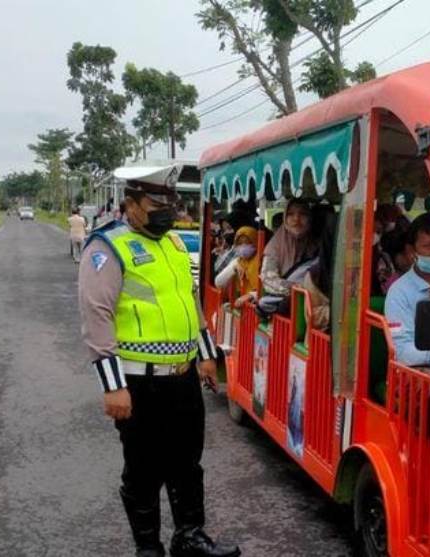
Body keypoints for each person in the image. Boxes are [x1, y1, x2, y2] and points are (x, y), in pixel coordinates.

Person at [78, 178, 240, 557]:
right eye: (156, 202)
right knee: (144, 469)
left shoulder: (173, 243)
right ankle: (148, 547)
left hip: (182, 379)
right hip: (139, 382)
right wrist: (113, 385)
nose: (168, 209)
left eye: (172, 201)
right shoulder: (107, 247)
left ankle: (189, 536)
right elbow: (96, 315)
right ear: (131, 204)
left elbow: (190, 302)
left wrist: (205, 355)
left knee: (188, 463)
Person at [384, 212, 430, 368]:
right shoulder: (399, 292)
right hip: (426, 373)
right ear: (412, 251)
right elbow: (401, 351)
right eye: (429, 245)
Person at [260, 199, 319, 296]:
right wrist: (295, 288)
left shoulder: (316, 243)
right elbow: (268, 279)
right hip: (287, 301)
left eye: (303, 214)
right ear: (285, 218)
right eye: (291, 214)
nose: (296, 219)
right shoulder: (275, 246)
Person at [213, 226, 260, 307]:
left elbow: (265, 291)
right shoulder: (238, 261)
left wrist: (251, 295)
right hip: (241, 308)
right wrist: (234, 268)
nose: (243, 247)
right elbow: (218, 282)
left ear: (255, 243)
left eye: (247, 243)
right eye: (240, 244)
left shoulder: (262, 261)